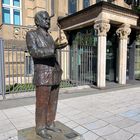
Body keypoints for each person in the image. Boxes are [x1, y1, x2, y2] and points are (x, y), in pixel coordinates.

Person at [26, 11, 67, 139]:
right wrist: (54, 47)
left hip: (54, 74)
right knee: (42, 104)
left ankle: (50, 123)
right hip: (43, 75)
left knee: (53, 102)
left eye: (48, 19)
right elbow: (35, 52)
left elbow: (52, 53)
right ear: (37, 21)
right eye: (44, 19)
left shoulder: (49, 36)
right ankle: (40, 128)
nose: (48, 21)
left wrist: (57, 46)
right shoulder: (31, 34)